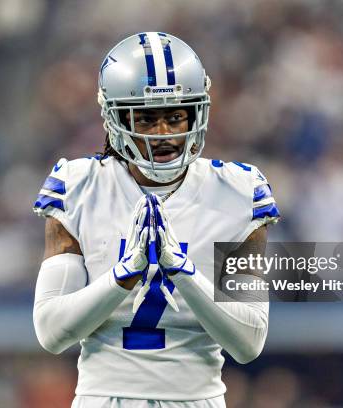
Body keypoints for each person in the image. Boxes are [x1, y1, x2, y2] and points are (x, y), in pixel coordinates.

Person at [32, 32, 280, 408]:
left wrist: (182, 271)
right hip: (103, 398)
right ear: (115, 119)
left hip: (197, 399)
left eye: (176, 116)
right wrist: (123, 276)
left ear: (197, 114)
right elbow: (51, 333)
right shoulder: (79, 187)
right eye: (145, 119)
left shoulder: (239, 192)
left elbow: (249, 342)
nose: (163, 134)